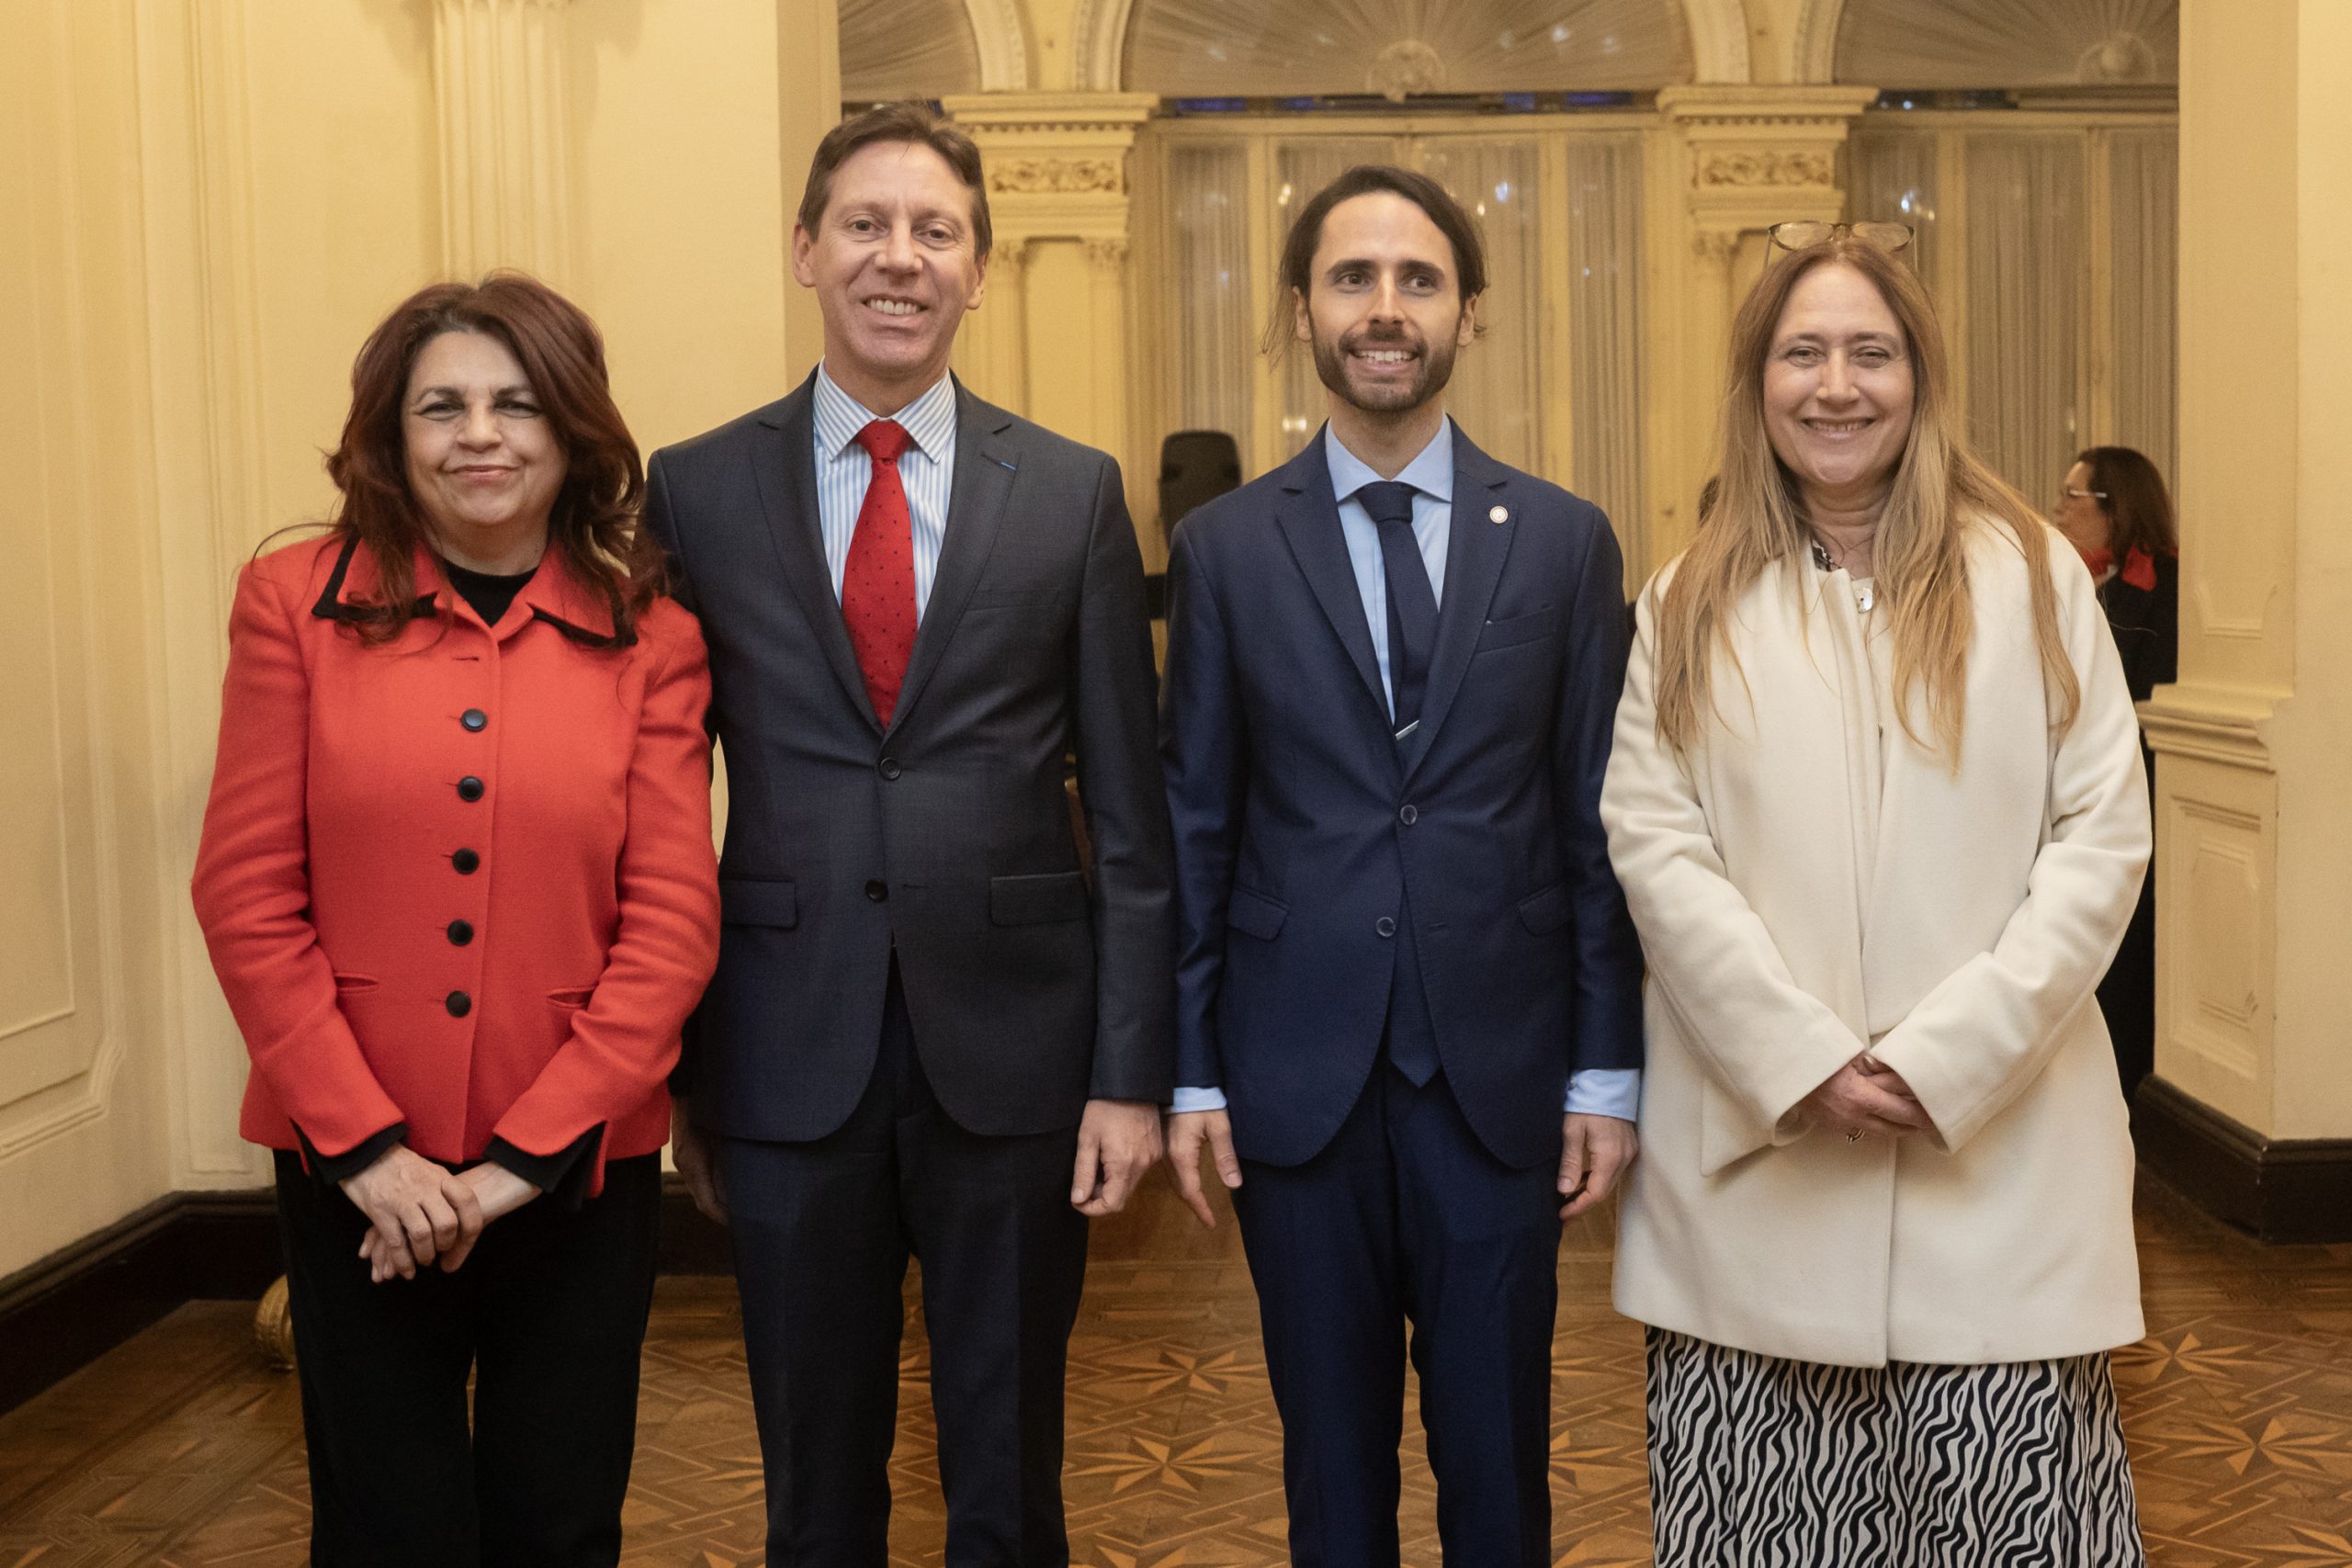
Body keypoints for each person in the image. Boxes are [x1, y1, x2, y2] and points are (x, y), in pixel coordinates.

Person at [643, 102, 1174, 1566]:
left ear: (981, 269)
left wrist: (1130, 1075)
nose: (900, 257)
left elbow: (1131, 819)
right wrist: (681, 1067)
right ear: (805, 250)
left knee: (1009, 1470)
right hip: (783, 1043)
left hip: (1017, 1055)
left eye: (935, 230)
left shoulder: (1071, 494)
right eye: (867, 225)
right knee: (814, 1476)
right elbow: (662, 805)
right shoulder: (696, 486)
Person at [1602, 224, 2153, 1566]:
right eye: (1803, 353)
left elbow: (2100, 834)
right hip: (1761, 1184)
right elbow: (1654, 843)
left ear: (1921, 375)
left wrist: (1942, 1057)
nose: (1836, 385)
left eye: (1871, 352)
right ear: (1759, 382)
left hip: (2001, 1180)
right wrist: (1797, 1057)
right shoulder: (1687, 599)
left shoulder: (2032, 577)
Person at [191, 273, 721, 1567]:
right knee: (385, 1522)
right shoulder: (291, 603)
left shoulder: (654, 637)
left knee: (561, 1515)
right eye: (444, 405)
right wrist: (368, 1149)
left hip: (576, 1171)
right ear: (393, 432)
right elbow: (247, 890)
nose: (480, 433)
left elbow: (669, 923)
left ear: (572, 432)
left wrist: (521, 1160)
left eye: (516, 403)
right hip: (352, 1163)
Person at [1159, 164, 1645, 1567]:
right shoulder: (1225, 548)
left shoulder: (1561, 541)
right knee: (1331, 1475)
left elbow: (1595, 823)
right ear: (1301, 311)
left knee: (1501, 1474)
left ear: (1470, 314)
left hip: (1502, 1086)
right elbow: (1199, 820)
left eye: (1418, 279)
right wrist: (1190, 1067)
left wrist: (1607, 1067)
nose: (1386, 308)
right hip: (1291, 1084)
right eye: (1354, 277)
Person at [2057, 445, 2178, 1092]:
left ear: (2116, 506)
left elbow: (2147, 700)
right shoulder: (2079, 584)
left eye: (2072, 495)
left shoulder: (2165, 590)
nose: (2058, 506)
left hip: (2140, 798)